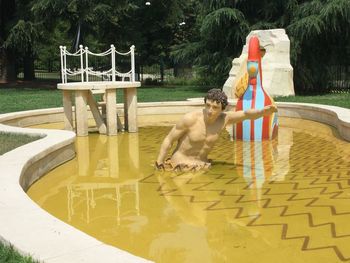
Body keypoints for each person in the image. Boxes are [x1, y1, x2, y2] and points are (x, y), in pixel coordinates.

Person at [155, 88, 277, 171]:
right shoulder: (190, 119)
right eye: (207, 105)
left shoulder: (224, 119)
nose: (210, 111)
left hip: (202, 165)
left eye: (215, 107)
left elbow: (246, 114)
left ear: (222, 109)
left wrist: (263, 111)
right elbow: (169, 140)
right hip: (180, 165)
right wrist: (159, 163)